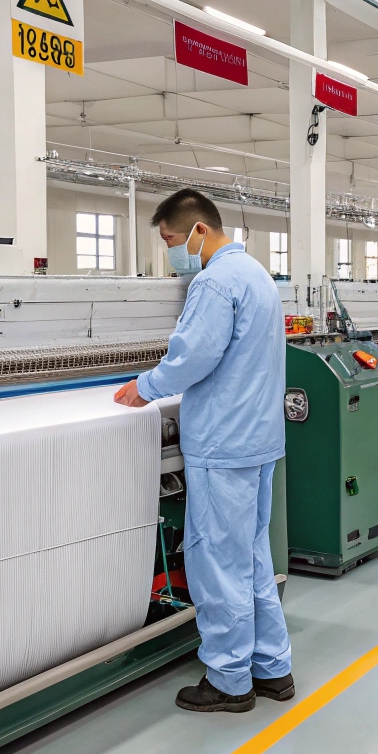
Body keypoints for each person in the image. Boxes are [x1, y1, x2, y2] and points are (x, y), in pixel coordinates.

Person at [114, 188, 293, 713]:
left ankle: (230, 680)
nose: (171, 252)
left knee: (218, 562)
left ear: (196, 230)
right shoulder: (259, 275)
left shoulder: (213, 282)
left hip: (224, 442)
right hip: (258, 438)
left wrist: (144, 387)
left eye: (170, 240)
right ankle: (272, 667)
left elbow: (193, 356)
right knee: (253, 557)